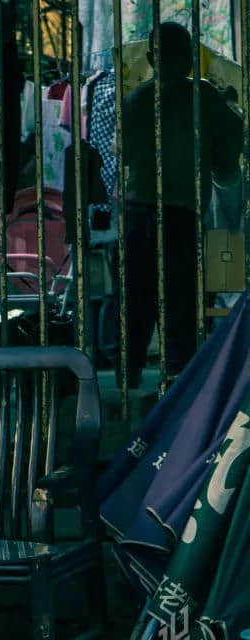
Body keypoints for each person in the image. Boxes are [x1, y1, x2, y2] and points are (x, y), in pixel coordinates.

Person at [119, 21, 242, 387]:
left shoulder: (136, 100)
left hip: (138, 213)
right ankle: (179, 387)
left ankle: (129, 381)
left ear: (153, 57)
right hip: (181, 216)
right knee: (183, 309)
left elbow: (122, 156)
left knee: (135, 306)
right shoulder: (205, 98)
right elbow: (227, 161)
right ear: (189, 58)